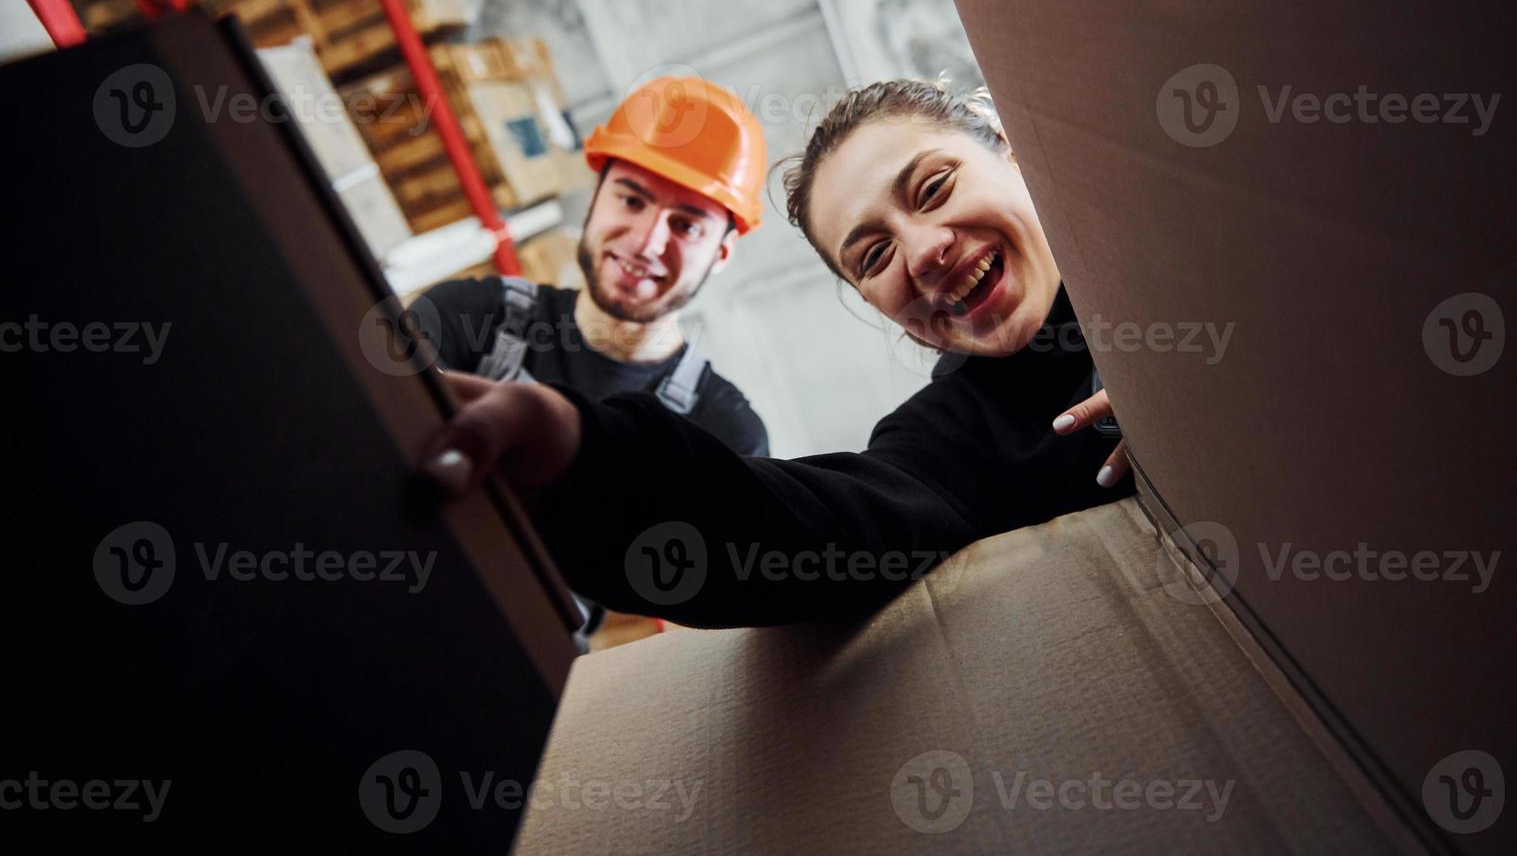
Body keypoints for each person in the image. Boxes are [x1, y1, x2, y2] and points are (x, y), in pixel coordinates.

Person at [420, 80, 1133, 628]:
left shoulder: (1193, 250)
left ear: (1010, 150)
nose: (923, 253)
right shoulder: (951, 444)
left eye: (934, 188)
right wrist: (577, 454)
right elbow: (798, 527)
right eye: (874, 254)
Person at [416, 76, 769, 457]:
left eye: (686, 225)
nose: (646, 243)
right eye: (632, 200)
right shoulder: (468, 318)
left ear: (722, 253)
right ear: (594, 198)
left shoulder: (726, 438)